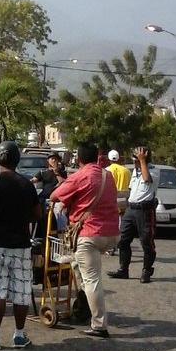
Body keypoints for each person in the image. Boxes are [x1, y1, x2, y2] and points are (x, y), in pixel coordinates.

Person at [0, 141, 41, 350]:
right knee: (21, 292)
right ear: (17, 159)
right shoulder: (26, 185)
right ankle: (19, 335)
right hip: (20, 244)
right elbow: (38, 214)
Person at [50, 143, 119, 339]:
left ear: (79, 159)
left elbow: (55, 195)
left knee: (91, 281)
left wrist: (65, 202)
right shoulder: (108, 175)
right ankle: (83, 309)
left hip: (89, 234)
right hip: (111, 234)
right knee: (78, 268)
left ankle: (99, 325)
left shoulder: (80, 175)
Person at [108, 146, 159, 284]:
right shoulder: (135, 172)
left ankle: (146, 271)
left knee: (146, 242)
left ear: (144, 159)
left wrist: (142, 160)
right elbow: (131, 191)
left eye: (137, 159)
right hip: (131, 209)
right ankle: (123, 269)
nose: (135, 161)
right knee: (123, 240)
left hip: (145, 211)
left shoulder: (154, 171)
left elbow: (147, 179)